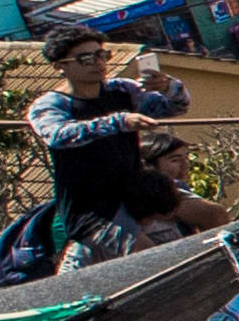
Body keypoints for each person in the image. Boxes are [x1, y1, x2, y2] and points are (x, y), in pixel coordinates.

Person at [25, 26, 210, 257]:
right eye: (85, 58)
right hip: (91, 206)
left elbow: (175, 106)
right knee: (148, 254)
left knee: (212, 214)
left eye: (102, 55)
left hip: (135, 190)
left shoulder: (121, 90)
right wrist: (119, 122)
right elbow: (57, 135)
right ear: (60, 66)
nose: (98, 63)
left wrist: (166, 86)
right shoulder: (51, 104)